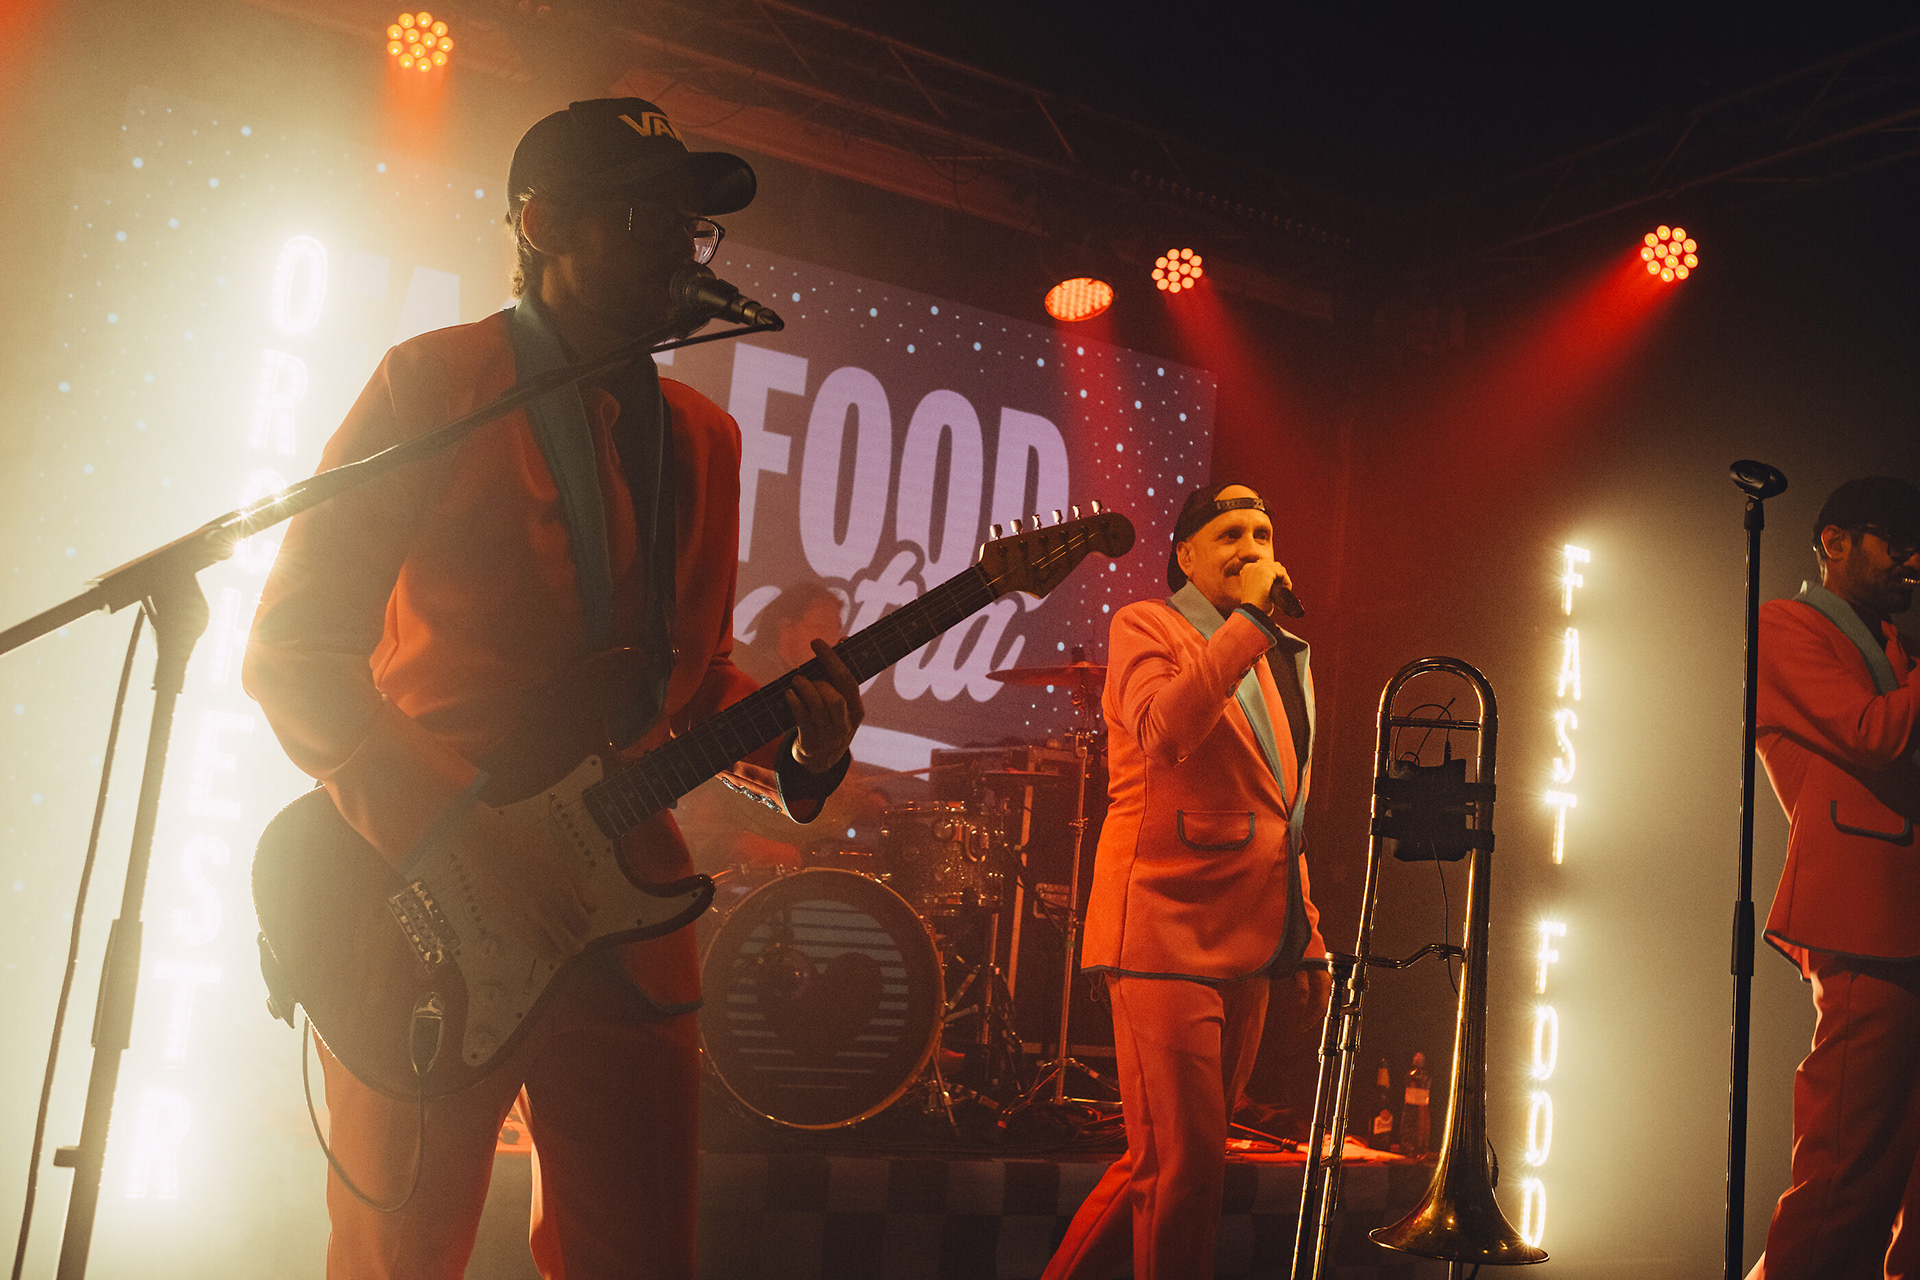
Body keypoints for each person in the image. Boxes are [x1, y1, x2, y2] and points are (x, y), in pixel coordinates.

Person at [242, 98, 863, 1280]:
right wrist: (456, 830)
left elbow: (687, 678)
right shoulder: (436, 381)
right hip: (422, 901)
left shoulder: (707, 437)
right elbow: (293, 648)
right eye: (641, 215)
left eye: (688, 223)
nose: (677, 244)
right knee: (395, 1260)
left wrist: (800, 746)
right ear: (540, 226)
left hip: (627, 917)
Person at [1043, 482, 1328, 1280]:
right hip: (1163, 928)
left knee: (1173, 1162)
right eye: (1231, 533)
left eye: (1263, 534)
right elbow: (1163, 731)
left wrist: (1306, 932)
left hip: (1251, 933)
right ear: (1186, 556)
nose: (1252, 548)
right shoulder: (1149, 625)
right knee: (1187, 1165)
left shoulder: (1277, 653)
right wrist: (1249, 627)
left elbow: (1284, 809)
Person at [1755, 476, 1920, 1278]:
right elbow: (1871, 733)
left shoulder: (1897, 648)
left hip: (1904, 915)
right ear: (1835, 543)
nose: (1914, 561)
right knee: (1847, 1172)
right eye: (1899, 542)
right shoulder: (1784, 625)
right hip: (1864, 919)